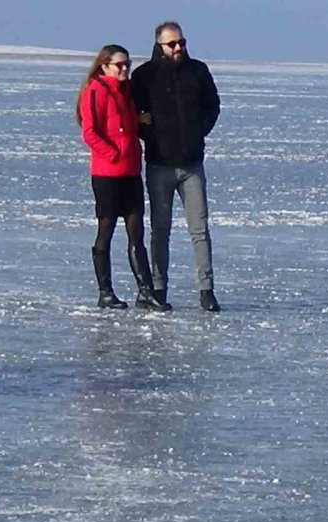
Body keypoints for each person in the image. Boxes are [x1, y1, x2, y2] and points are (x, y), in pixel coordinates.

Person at [132, 21, 222, 312]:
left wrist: (198, 132)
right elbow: (133, 113)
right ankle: (159, 288)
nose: (179, 48)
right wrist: (149, 133)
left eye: (182, 42)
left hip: (192, 164)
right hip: (160, 164)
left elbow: (212, 106)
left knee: (200, 228)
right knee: (161, 229)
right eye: (172, 44)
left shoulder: (198, 71)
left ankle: (206, 290)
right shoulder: (144, 76)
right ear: (160, 46)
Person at [76, 45, 171, 312]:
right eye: (119, 65)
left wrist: (140, 121)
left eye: (127, 64)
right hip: (107, 175)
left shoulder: (125, 93)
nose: (125, 69)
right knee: (105, 231)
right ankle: (105, 292)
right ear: (104, 66)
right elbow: (90, 133)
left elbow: (126, 127)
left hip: (131, 173)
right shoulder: (95, 91)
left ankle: (146, 291)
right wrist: (113, 154)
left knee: (136, 233)